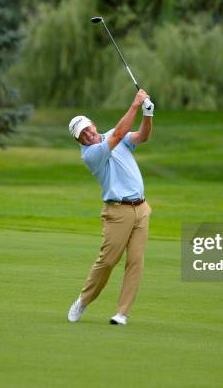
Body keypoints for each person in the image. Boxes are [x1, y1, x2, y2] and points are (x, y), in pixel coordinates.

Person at [67, 89, 155, 326]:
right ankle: (84, 300)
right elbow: (118, 134)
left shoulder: (110, 136)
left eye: (88, 128)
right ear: (78, 140)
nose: (87, 134)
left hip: (141, 208)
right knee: (107, 261)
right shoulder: (90, 154)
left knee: (136, 261)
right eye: (81, 135)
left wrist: (148, 115)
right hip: (118, 212)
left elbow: (142, 137)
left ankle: (122, 313)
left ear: (93, 125)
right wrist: (135, 105)